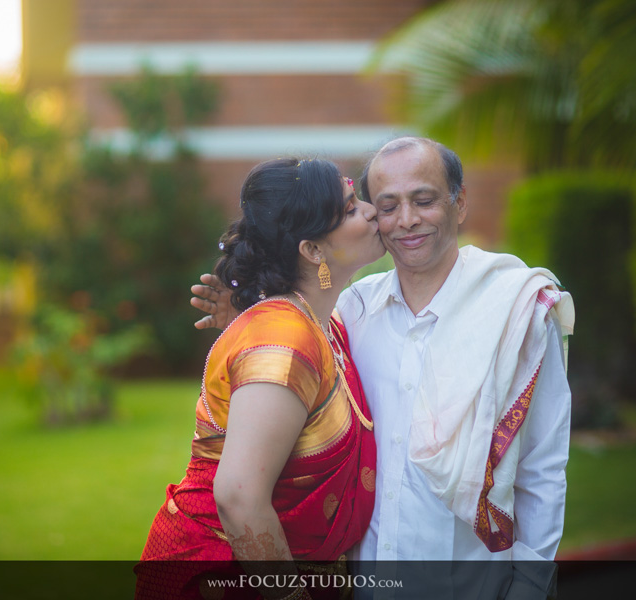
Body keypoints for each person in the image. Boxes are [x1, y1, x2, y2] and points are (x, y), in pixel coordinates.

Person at [192, 137, 574, 598]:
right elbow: (278, 360)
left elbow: (542, 466)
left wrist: (530, 586)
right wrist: (250, 322)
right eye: (384, 205)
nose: (404, 220)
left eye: (425, 200)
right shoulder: (351, 312)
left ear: (460, 202)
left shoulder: (518, 313)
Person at [135, 157, 382, 600]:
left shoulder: (324, 326)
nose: (371, 211)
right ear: (313, 250)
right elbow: (238, 496)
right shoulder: (283, 342)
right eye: (349, 209)